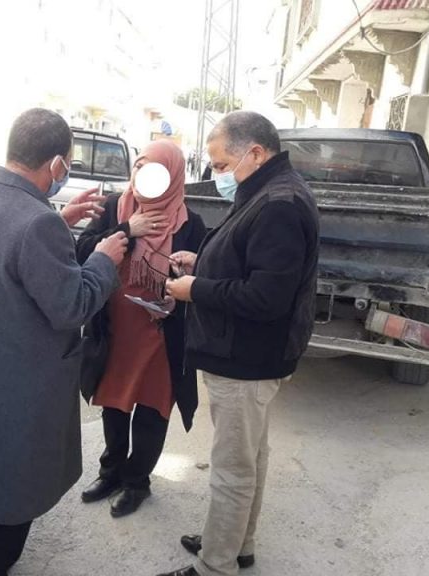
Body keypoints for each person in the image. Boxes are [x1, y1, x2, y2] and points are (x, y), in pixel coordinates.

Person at [0, 108, 128, 575]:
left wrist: (58, 217)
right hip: (18, 391)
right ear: (57, 164)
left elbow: (6, 255)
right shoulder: (35, 223)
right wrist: (103, 260)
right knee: (7, 503)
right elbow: (72, 305)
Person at [158, 111, 320, 576]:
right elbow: (247, 257)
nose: (216, 175)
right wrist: (203, 261)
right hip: (248, 353)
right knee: (251, 458)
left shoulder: (278, 204)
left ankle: (215, 565)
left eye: (221, 165)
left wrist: (196, 289)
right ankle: (235, 544)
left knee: (232, 469)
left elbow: (266, 296)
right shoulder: (266, 190)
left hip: (247, 358)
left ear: (255, 153)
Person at [76, 140, 207, 518]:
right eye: (139, 167)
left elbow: (201, 273)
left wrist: (182, 278)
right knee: (114, 404)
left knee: (152, 410)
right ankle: (111, 472)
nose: (141, 177)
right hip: (116, 329)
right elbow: (82, 251)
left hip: (161, 333)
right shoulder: (116, 207)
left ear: (173, 176)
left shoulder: (190, 223)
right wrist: (126, 230)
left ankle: (137, 481)